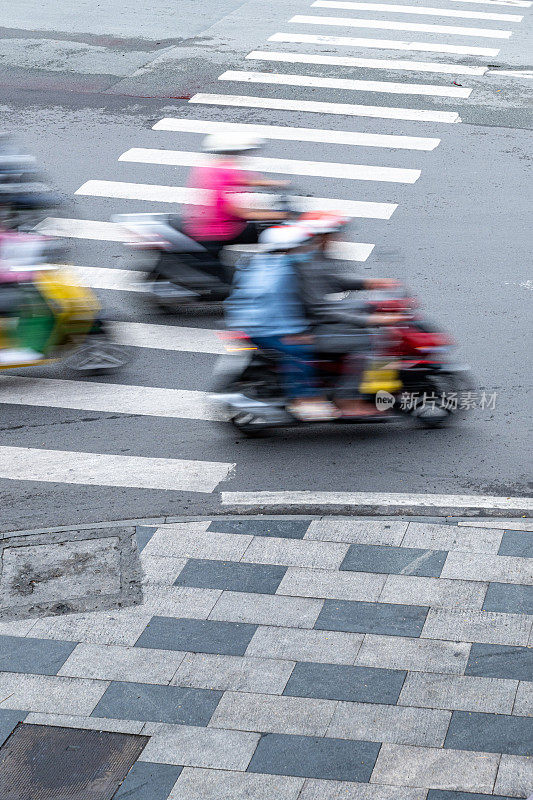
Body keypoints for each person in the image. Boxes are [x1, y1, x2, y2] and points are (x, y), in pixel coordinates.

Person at [225, 224, 340, 422]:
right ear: (287, 248)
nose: (305, 249)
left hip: (246, 321)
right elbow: (278, 305)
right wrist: (296, 332)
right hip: (267, 327)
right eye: (300, 246)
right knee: (300, 351)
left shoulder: (258, 262)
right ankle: (303, 399)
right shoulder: (284, 270)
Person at [295, 212, 404, 417]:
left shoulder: (315, 256)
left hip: (316, 318)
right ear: (322, 236)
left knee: (363, 307)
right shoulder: (307, 262)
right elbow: (321, 310)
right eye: (334, 233)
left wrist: (373, 283)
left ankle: (380, 386)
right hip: (310, 327)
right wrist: (368, 320)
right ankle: (347, 398)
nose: (339, 238)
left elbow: (334, 281)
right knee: (370, 340)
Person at [182, 133, 288, 256]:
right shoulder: (219, 174)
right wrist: (282, 215)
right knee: (266, 232)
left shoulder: (216, 167)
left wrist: (275, 184)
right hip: (216, 231)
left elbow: (244, 180)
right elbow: (242, 212)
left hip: (210, 222)